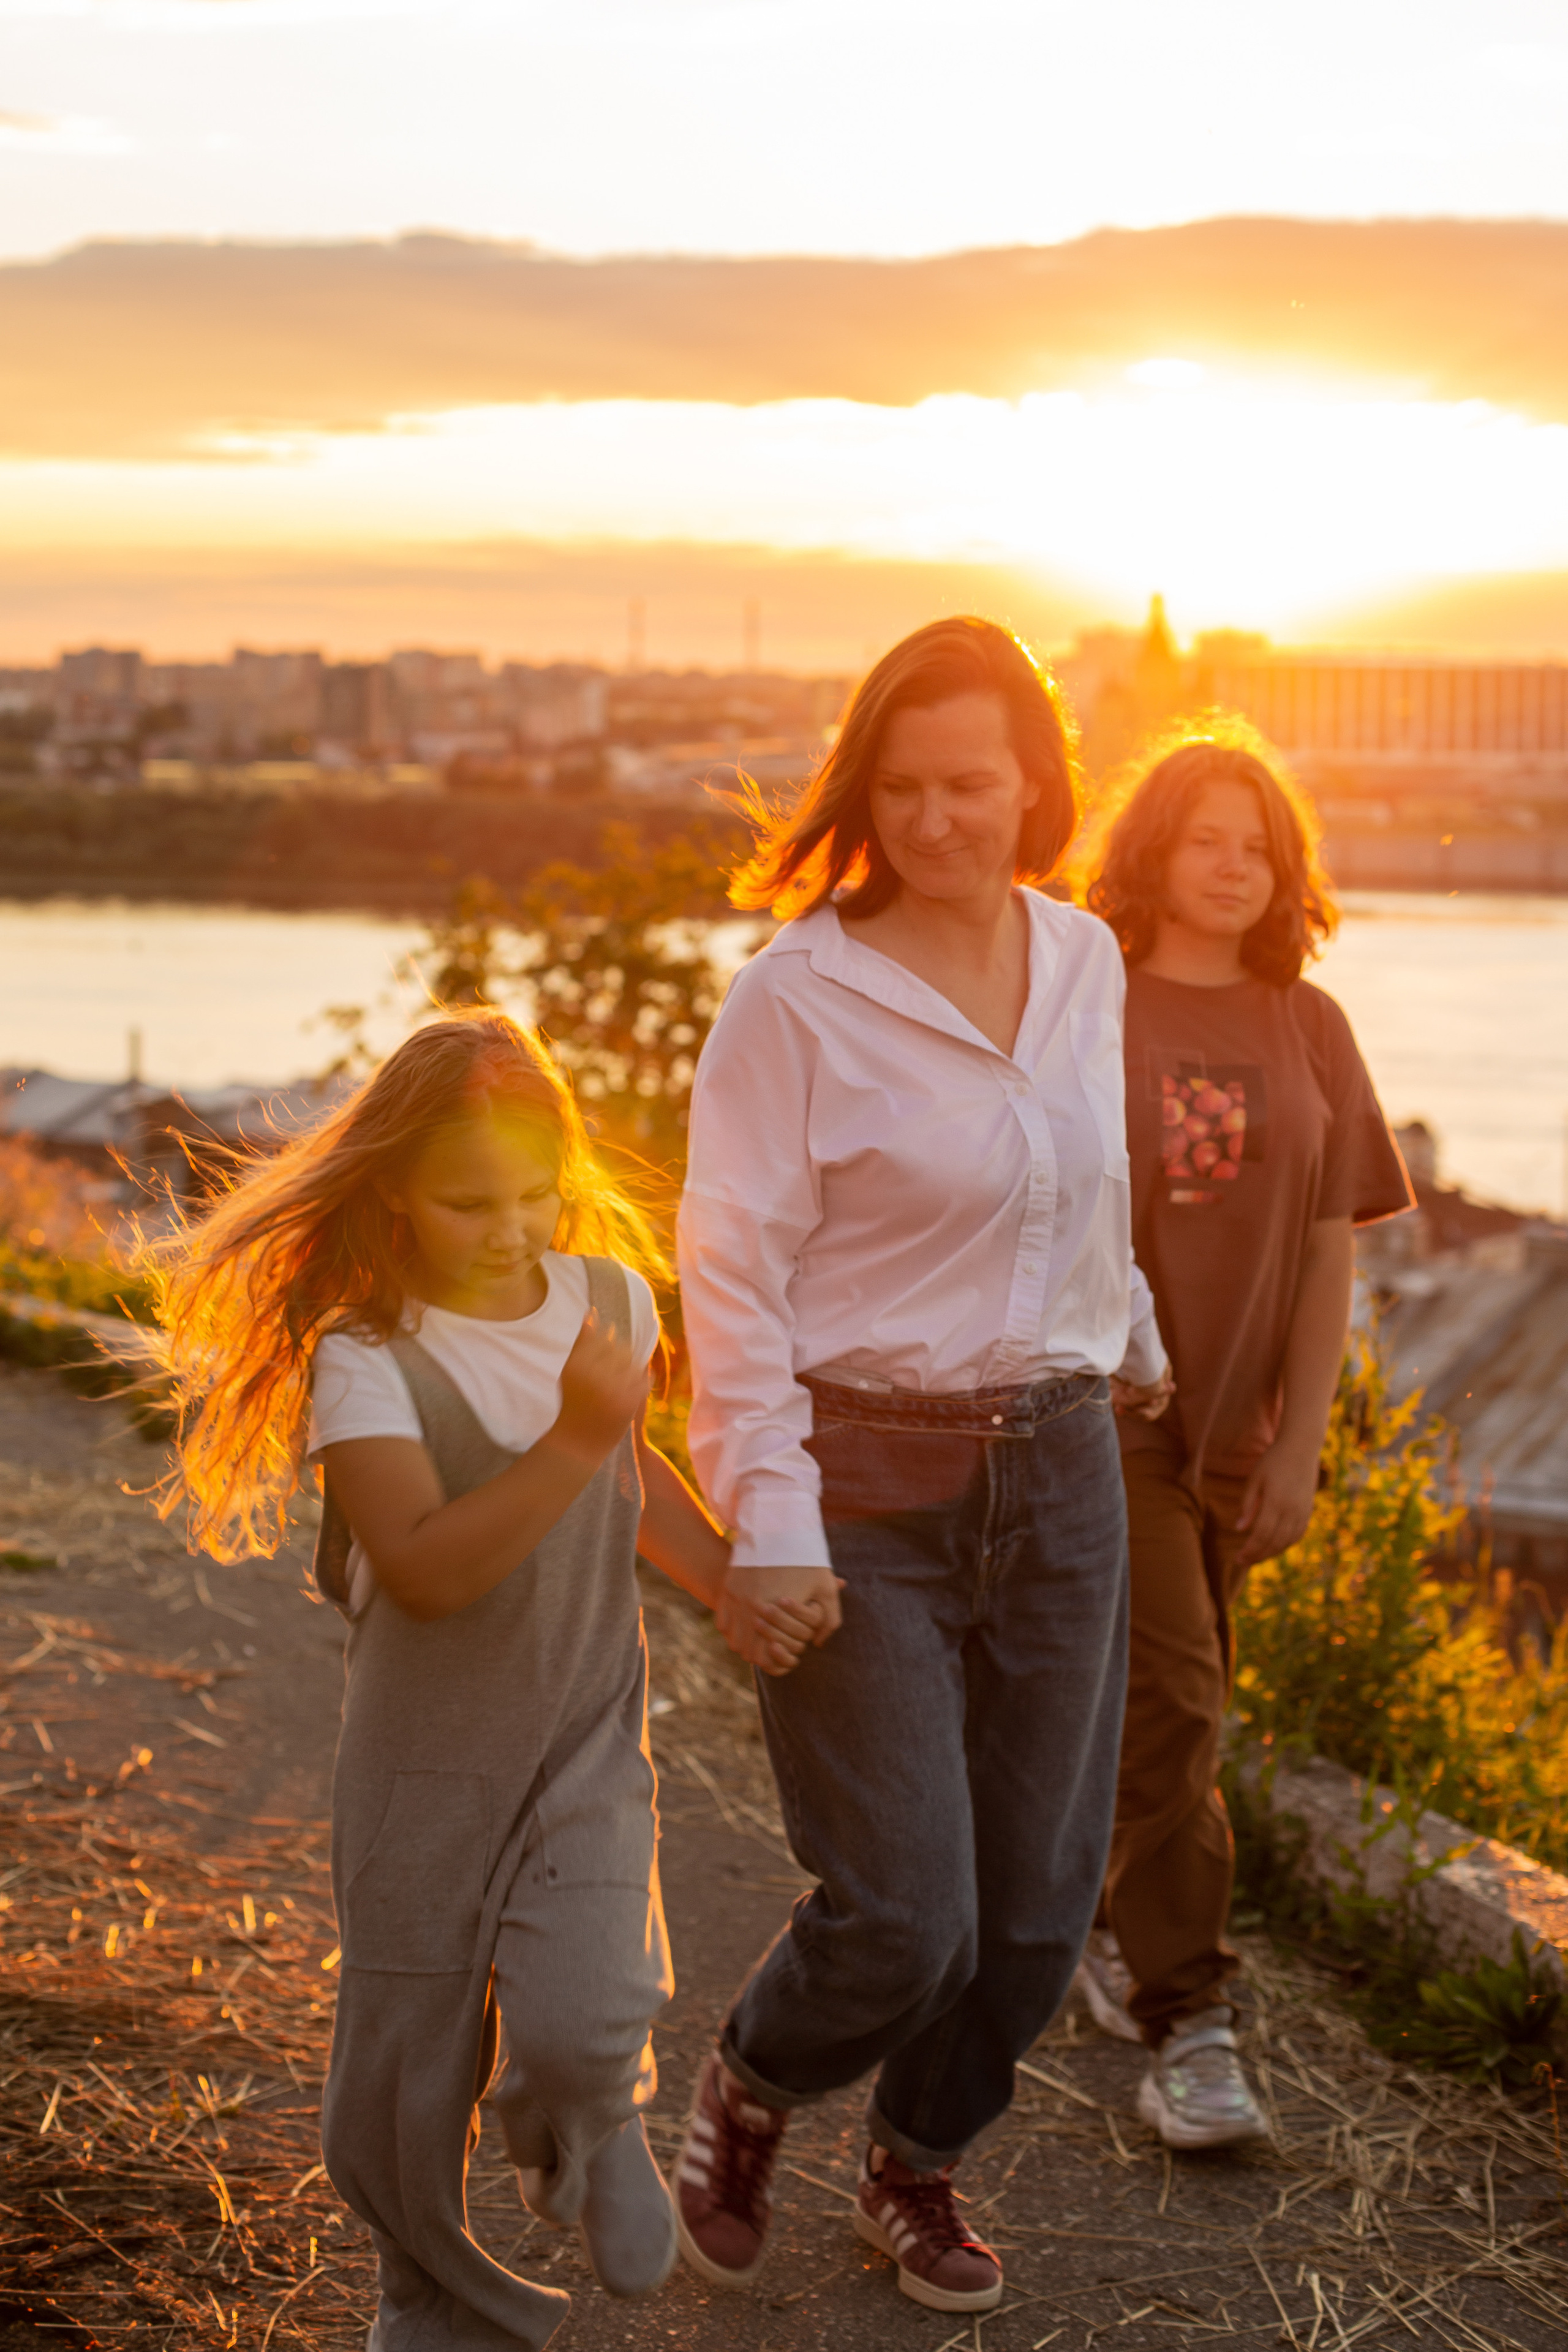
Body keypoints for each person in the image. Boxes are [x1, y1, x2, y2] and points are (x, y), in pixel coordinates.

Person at [149, 1009, 810, 2352]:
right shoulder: (366, 1358)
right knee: (403, 2071)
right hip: (420, 1769)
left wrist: (732, 1581)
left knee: (591, 2007)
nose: (510, 1229)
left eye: (534, 1195)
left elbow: (635, 1483)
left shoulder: (608, 1305)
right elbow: (431, 1566)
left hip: (579, 1737)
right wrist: (575, 1435)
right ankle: (427, 2293)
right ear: (394, 1190)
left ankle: (589, 2122)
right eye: (468, 1203)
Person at [671, 616, 1171, 2317]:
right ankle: (749, 2085)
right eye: (906, 785)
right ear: (863, 790)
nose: (942, 817)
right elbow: (730, 1284)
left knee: (1033, 1922)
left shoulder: (1088, 960)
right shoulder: (793, 1002)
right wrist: (772, 1527)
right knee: (905, 1913)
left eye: (975, 782)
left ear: (1038, 779)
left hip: (1060, 1475)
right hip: (860, 1483)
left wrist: (1131, 1340)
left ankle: (917, 2164)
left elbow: (1076, 1198)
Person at [1079, 726, 1412, 2149]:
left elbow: (1330, 1248)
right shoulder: (1084, 1002)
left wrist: (1295, 1445)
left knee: (1159, 1709)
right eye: (1207, 837)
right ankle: (1189, 2024)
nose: (1235, 865)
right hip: (1108, 1417)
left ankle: (1088, 1919)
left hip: (1237, 1429)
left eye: (1258, 844)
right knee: (1181, 1699)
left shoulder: (1304, 1020)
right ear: (1150, 849)